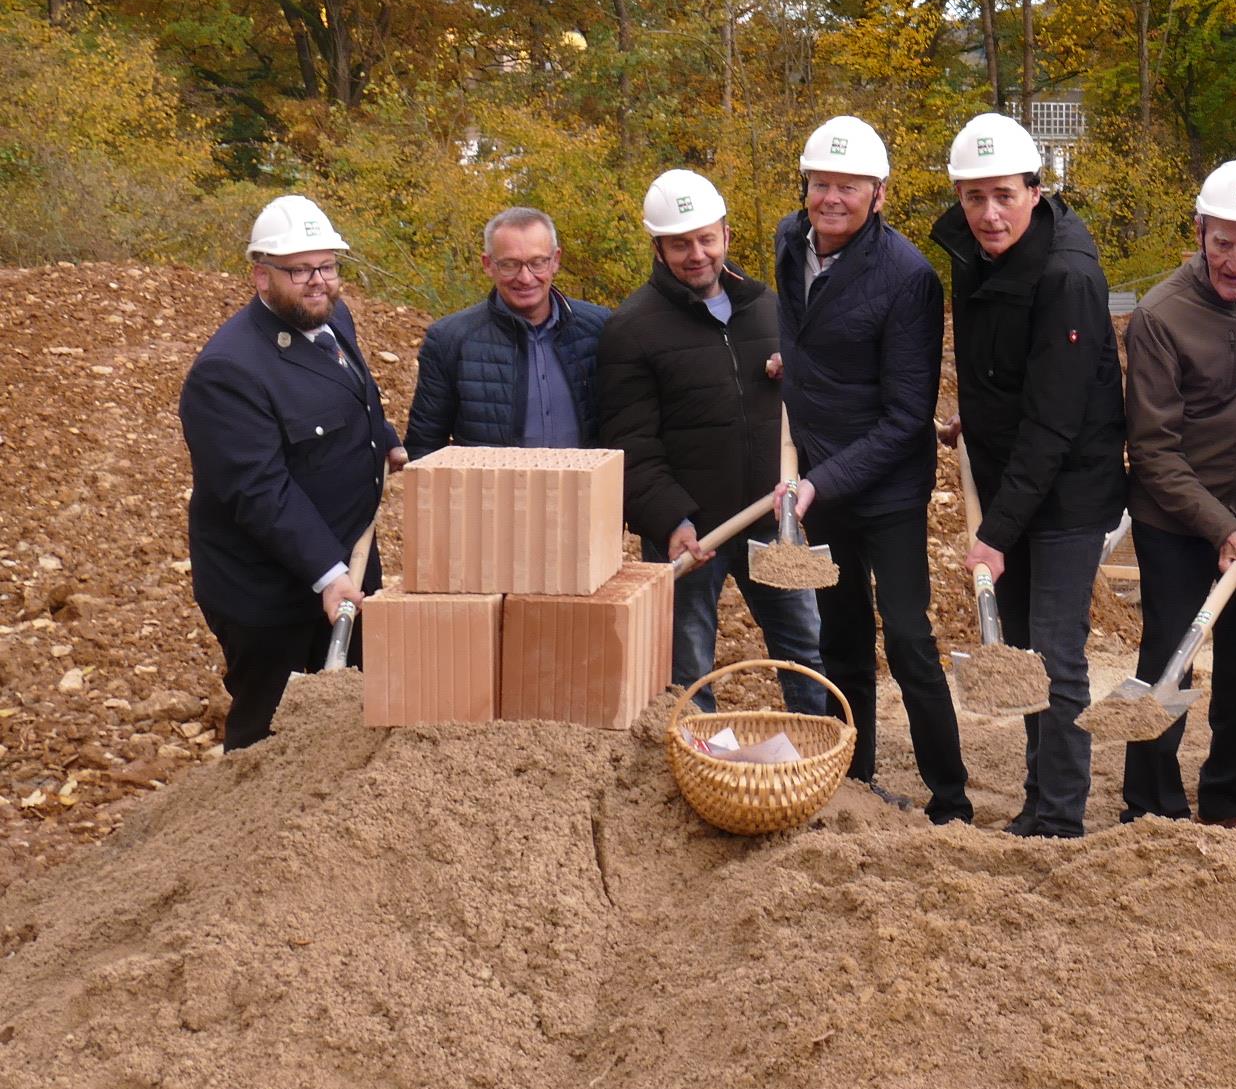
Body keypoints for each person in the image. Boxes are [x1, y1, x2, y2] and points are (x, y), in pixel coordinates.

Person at [931, 112, 1126, 839]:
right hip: (1012, 472)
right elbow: (1001, 371)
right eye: (974, 197)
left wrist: (994, 533)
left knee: (1054, 651)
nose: (988, 213)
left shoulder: (1068, 275)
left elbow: (1055, 418)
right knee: (1020, 650)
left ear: (1035, 192)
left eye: (1004, 196)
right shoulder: (973, 249)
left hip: (1070, 486)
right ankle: (1038, 798)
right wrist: (971, 427)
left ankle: (1059, 816)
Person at [773, 115, 969, 823]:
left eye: (848, 187)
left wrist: (822, 482)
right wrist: (790, 364)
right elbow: (798, 325)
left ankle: (951, 796)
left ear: (879, 194)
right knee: (841, 638)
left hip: (883, 485)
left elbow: (904, 416)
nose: (832, 198)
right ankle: (852, 786)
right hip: (816, 477)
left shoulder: (908, 279)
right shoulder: (787, 243)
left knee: (910, 637)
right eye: (821, 183)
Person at [1120, 158, 1236, 828]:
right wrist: (1217, 526)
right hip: (1174, 518)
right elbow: (1152, 450)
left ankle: (1230, 803)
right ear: (1199, 231)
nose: (1235, 261)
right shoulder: (1160, 318)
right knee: (1170, 656)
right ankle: (1150, 804)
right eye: (1222, 243)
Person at [179, 195, 407, 749]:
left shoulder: (331, 316)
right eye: (299, 269)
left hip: (346, 560)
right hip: (269, 590)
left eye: (327, 266)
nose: (318, 281)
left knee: (346, 719)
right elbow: (260, 492)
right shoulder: (229, 371)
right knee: (270, 735)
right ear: (261, 276)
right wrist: (329, 577)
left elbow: (354, 395)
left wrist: (387, 441)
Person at [595, 168, 825, 714]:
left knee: (809, 651)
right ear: (658, 248)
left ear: (726, 234)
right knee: (687, 667)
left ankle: (830, 771)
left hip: (774, 520)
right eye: (679, 243)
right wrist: (670, 520)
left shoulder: (773, 309)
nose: (695, 254)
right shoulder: (631, 329)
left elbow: (814, 405)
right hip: (692, 534)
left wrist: (796, 374)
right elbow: (630, 443)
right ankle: (698, 777)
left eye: (705, 238)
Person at [404, 207, 609, 456]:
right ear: (488, 264)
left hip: (584, 492)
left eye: (537, 262)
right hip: (489, 493)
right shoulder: (449, 339)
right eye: (510, 265)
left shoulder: (600, 329)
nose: (525, 277)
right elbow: (425, 446)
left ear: (555, 260)